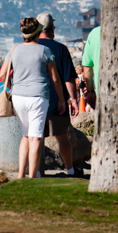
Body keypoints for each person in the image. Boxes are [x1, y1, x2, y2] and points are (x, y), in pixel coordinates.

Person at [0, 17, 66, 179]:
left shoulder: (14, 50)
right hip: (38, 96)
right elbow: (55, 79)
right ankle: (32, 176)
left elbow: (1, 75)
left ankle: (21, 175)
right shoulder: (44, 51)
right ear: (37, 33)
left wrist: (15, 81)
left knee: (26, 136)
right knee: (36, 138)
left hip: (18, 96)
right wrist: (62, 100)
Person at [36, 12, 81, 177]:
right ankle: (69, 170)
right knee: (62, 137)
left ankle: (38, 172)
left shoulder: (30, 47)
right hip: (57, 102)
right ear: (52, 28)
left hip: (36, 100)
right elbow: (68, 78)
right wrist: (73, 100)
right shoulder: (60, 49)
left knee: (37, 138)